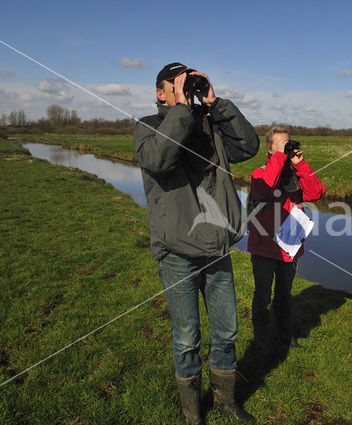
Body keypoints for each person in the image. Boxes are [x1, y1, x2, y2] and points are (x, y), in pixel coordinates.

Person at [134, 62, 259, 425]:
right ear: (161, 92)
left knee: (227, 330)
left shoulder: (209, 125)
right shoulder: (150, 126)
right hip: (177, 251)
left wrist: (215, 104)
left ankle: (225, 402)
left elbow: (248, 145)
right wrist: (183, 110)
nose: (188, 87)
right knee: (187, 336)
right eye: (179, 83)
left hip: (216, 245)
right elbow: (158, 159)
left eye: (191, 81)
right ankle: (193, 414)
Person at [247, 127, 325, 359]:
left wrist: (300, 164)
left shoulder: (293, 175)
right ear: (270, 149)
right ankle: (261, 342)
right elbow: (263, 190)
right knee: (263, 296)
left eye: (288, 142)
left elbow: (315, 193)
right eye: (282, 143)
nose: (287, 146)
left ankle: (284, 337)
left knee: (284, 295)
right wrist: (280, 159)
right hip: (264, 245)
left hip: (289, 247)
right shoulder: (259, 172)